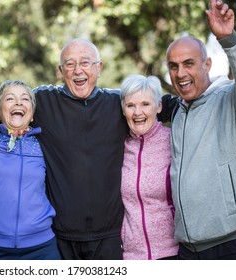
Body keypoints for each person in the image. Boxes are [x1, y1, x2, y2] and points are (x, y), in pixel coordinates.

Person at [32, 39, 176, 259]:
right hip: (61, 237)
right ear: (61, 71)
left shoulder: (116, 104)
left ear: (99, 68)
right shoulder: (42, 102)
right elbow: (10, 104)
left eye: (86, 63)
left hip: (109, 238)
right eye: (69, 64)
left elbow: (151, 105)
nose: (78, 70)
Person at [167, 0, 236, 259]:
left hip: (232, 243)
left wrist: (230, 41)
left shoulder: (230, 99)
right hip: (188, 249)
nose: (180, 73)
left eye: (188, 63)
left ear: (207, 65)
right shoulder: (178, 111)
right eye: (174, 66)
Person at [0, 80, 60, 260]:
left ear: (31, 115)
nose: (18, 103)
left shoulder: (44, 146)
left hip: (42, 247)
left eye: (25, 99)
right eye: (10, 98)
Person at [119, 74, 178, 260]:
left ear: (159, 106)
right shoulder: (120, 146)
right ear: (123, 110)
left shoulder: (174, 140)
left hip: (173, 253)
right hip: (131, 257)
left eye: (145, 104)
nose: (138, 112)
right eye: (130, 105)